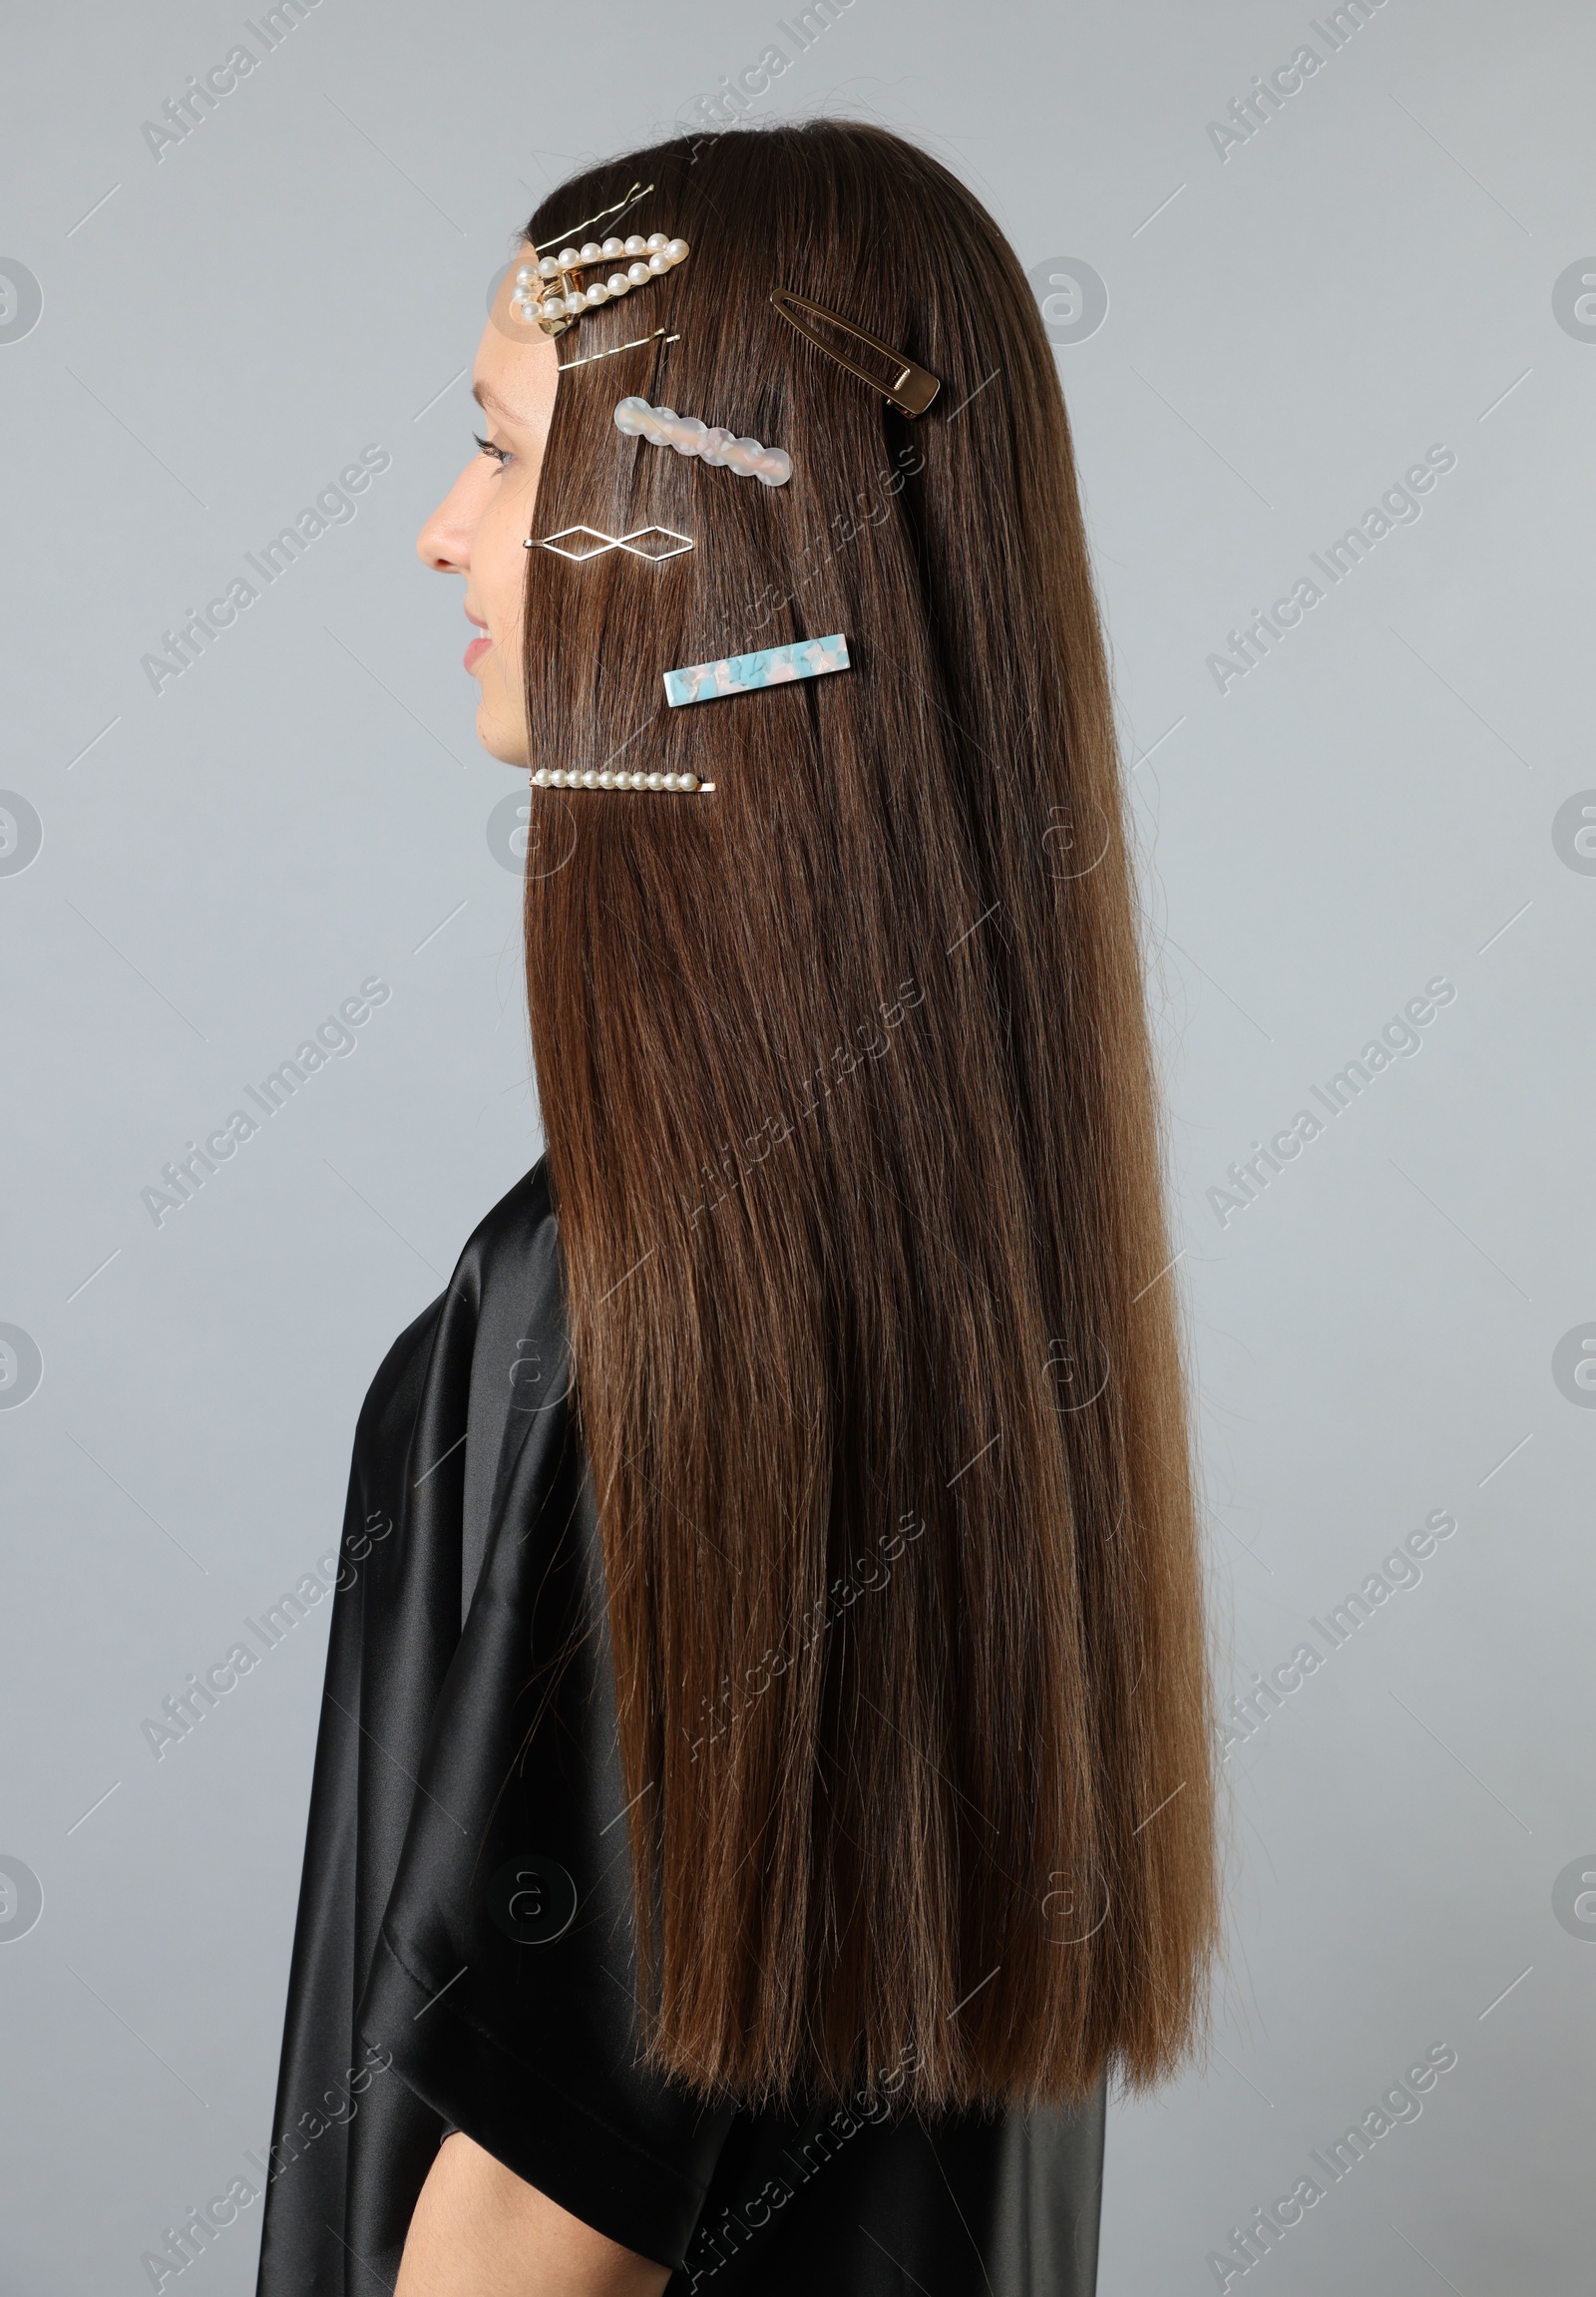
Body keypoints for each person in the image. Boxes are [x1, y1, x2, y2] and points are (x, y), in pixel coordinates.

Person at [253, 119, 1220, 2297]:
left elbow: (536, 2218)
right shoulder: (943, 1240)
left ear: (688, 542)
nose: (439, 536)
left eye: (502, 455)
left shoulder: (691, 1282)